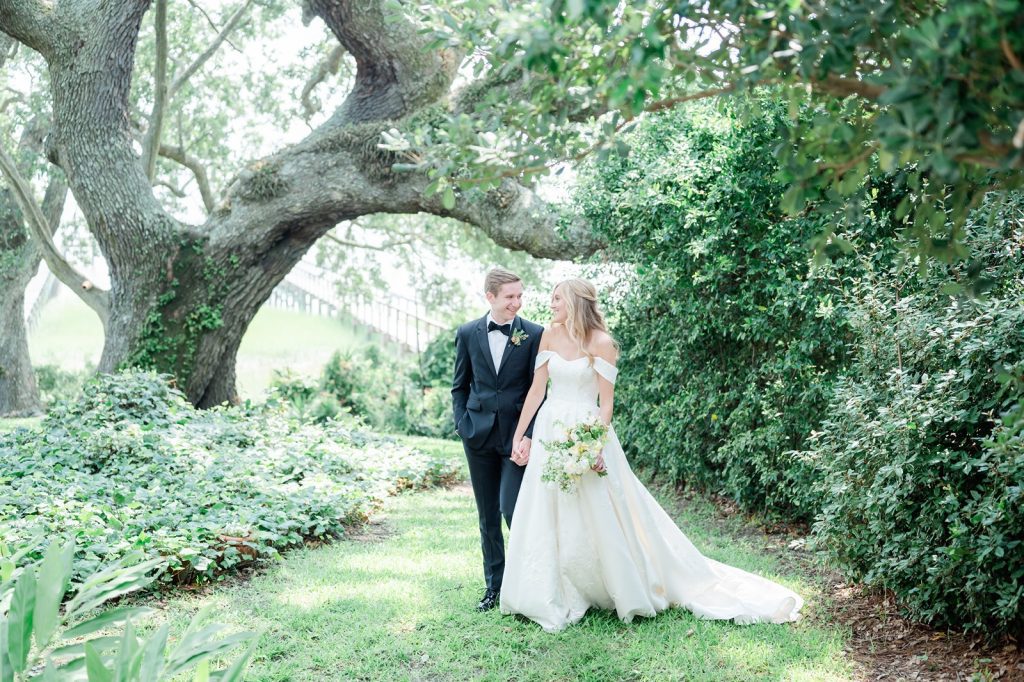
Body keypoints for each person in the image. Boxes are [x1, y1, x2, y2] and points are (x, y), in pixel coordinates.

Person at [500, 278, 803, 632]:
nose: (551, 304)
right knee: (548, 504)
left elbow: (606, 403)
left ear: (575, 301)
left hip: (586, 430)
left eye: (557, 299)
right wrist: (521, 435)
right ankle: (552, 586)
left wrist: (594, 446)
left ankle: (606, 582)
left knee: (596, 507)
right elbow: (537, 390)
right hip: (550, 429)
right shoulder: (549, 336)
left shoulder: (602, 343)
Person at [452, 267, 545, 611]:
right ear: (489, 296)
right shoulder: (467, 333)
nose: (516, 303)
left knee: (512, 509)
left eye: (520, 296)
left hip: (516, 439)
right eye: (510, 297)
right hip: (477, 436)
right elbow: (459, 385)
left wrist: (530, 436)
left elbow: (539, 391)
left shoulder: (534, 334)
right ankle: (495, 588)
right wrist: (462, 425)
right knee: (487, 515)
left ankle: (529, 582)